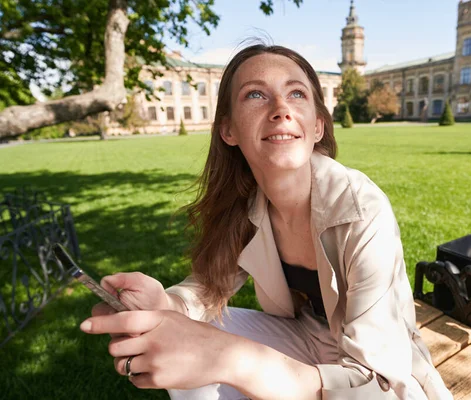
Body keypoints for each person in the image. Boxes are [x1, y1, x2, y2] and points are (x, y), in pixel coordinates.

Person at [80, 43, 452, 400]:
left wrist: (233, 359)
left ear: (318, 126)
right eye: (255, 95)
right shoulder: (246, 205)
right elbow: (211, 286)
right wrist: (166, 302)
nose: (280, 109)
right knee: (179, 334)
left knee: (211, 350)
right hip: (305, 336)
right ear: (228, 131)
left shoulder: (361, 208)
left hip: (375, 370)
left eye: (296, 94)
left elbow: (375, 386)